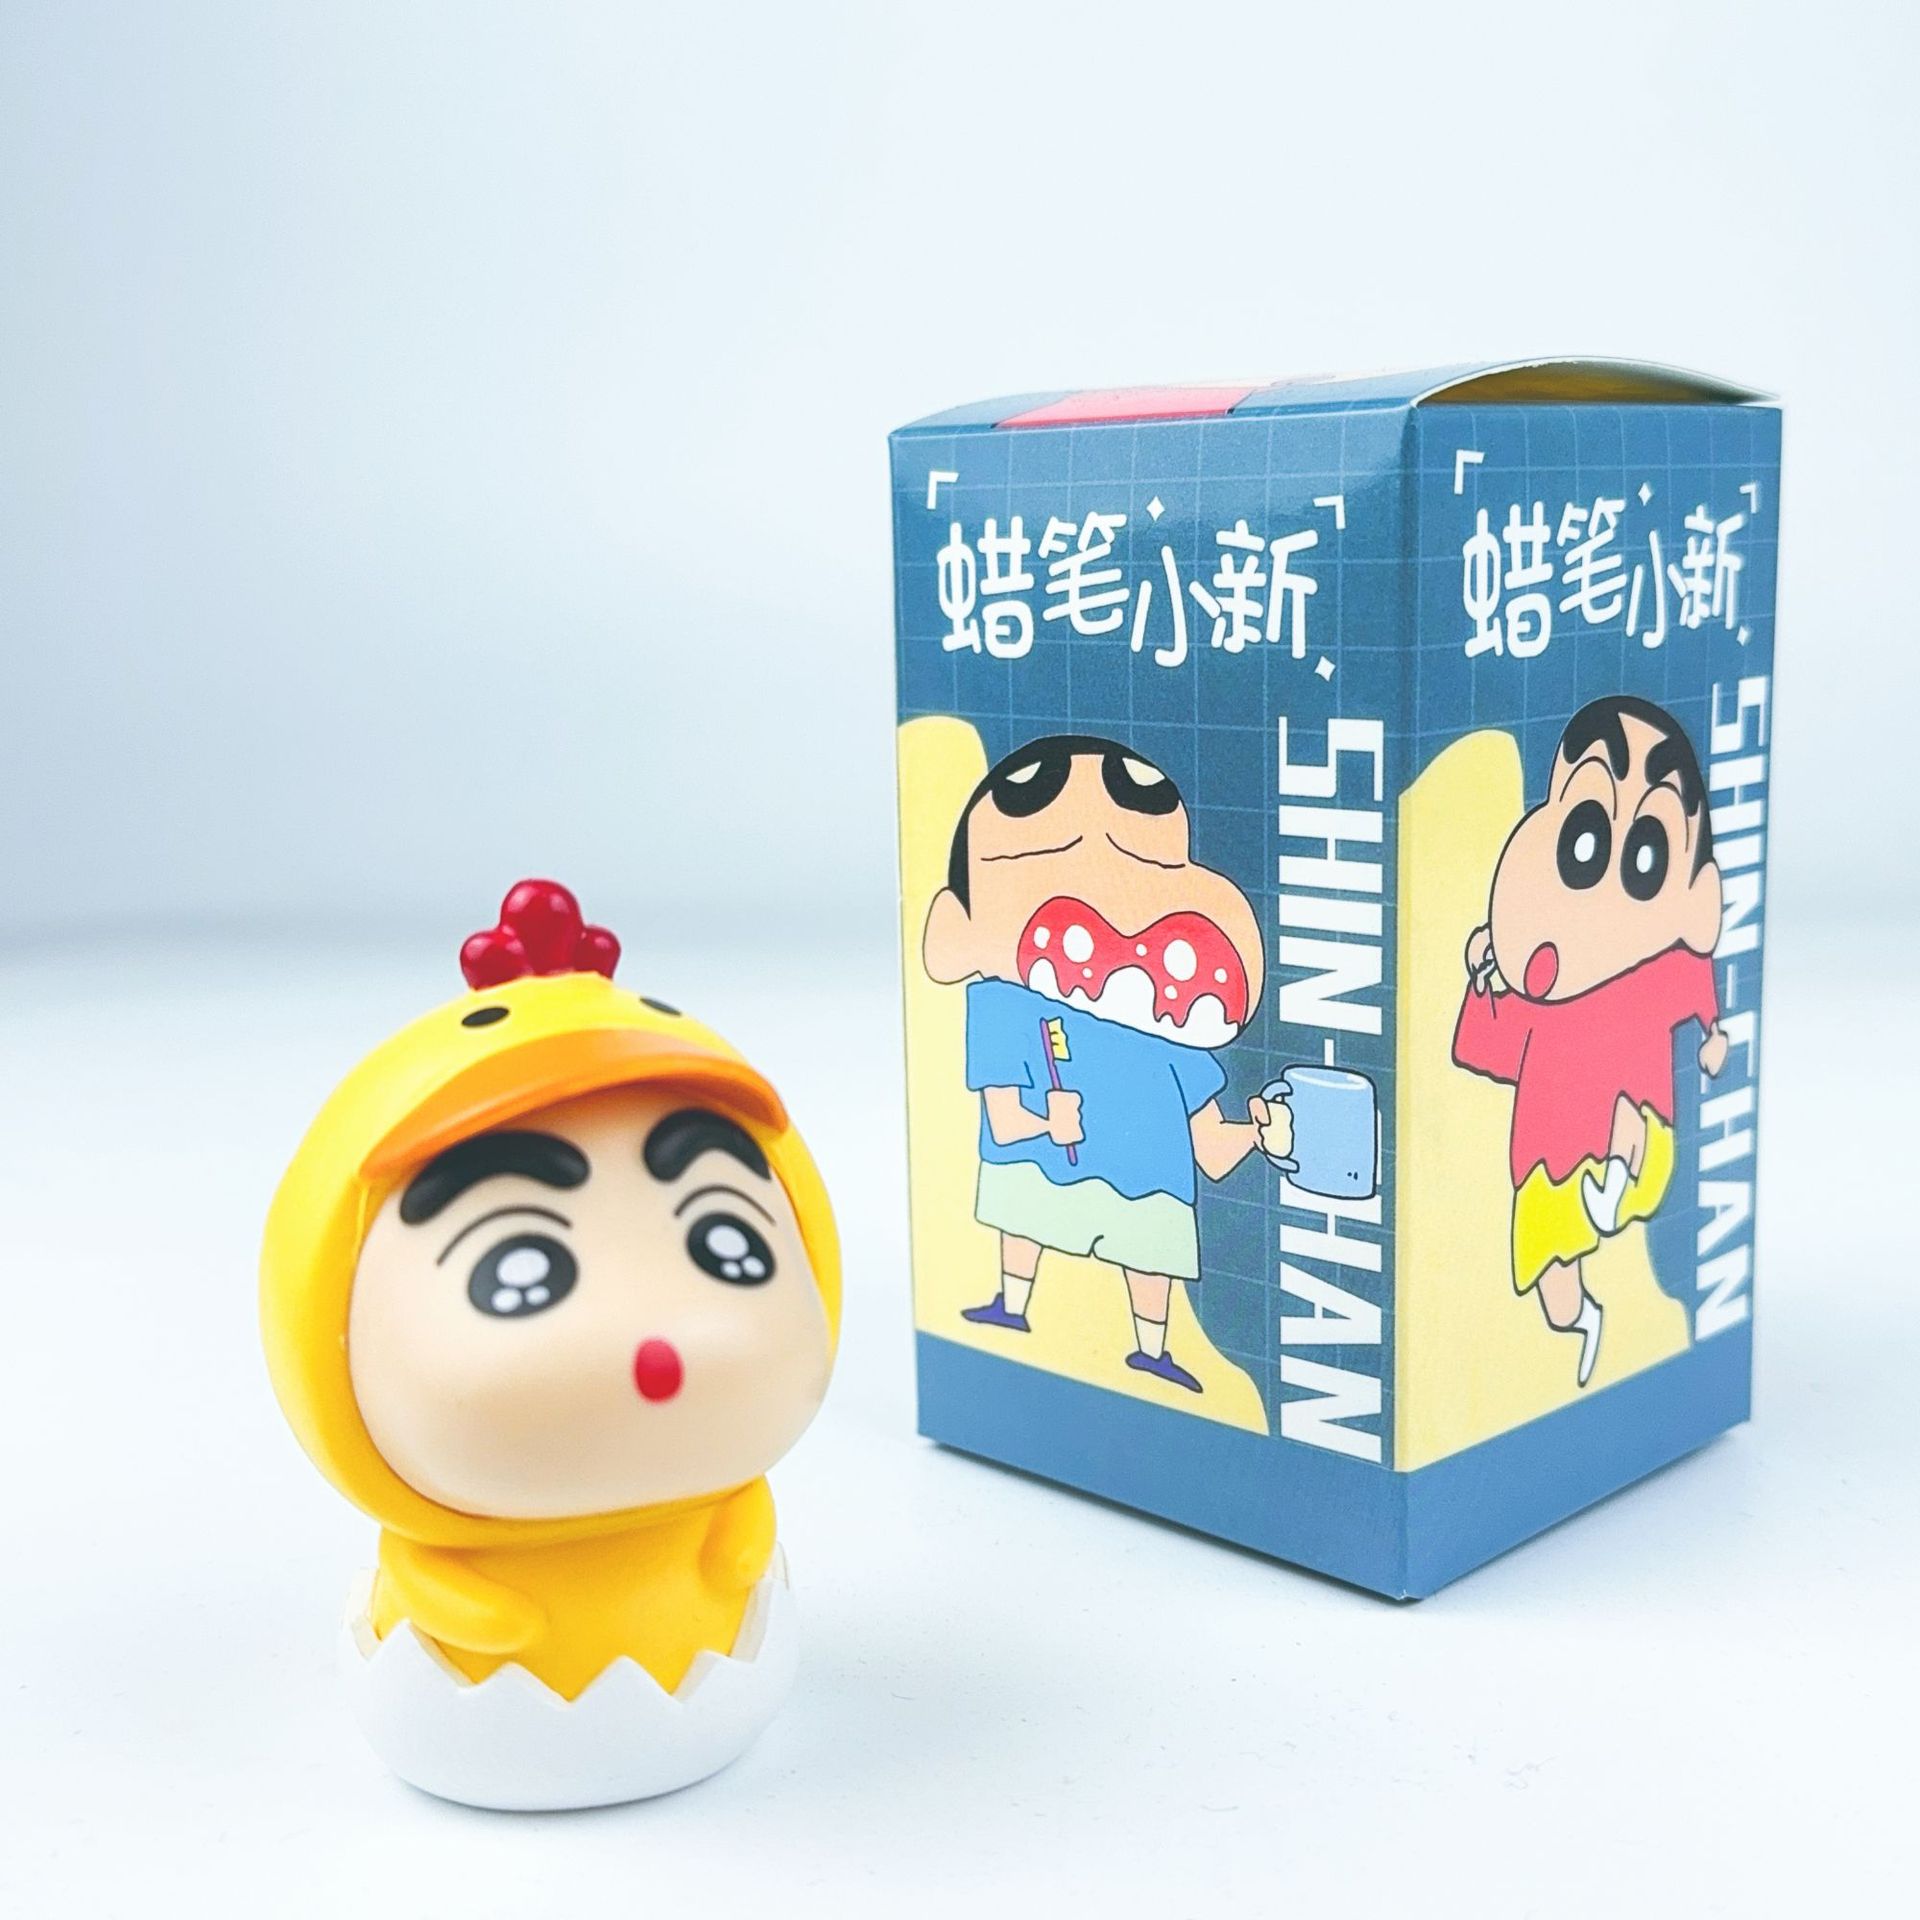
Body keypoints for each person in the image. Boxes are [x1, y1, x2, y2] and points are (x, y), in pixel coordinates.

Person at [923, 736, 1291, 1393]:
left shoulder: (1173, 1038)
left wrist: (1263, 1136)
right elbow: (1004, 1122)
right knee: (1023, 1220)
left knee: (1149, 1257)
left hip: (1149, 1190)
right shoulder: (1004, 1007)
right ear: (959, 930)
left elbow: (1210, 1146)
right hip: (1039, 1172)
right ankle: (1012, 1306)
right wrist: (1047, 1124)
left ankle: (1152, 1351)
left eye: (1145, 867)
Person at [1453, 698, 1728, 1387]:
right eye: (1583, 838)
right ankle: (1581, 1319)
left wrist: (1713, 1037)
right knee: (1548, 1271)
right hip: (1546, 1162)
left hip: (1636, 1141)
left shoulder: (1649, 974)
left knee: (1634, 1137)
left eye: (1646, 855)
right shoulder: (1537, 999)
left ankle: (1615, 1185)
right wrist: (1484, 982)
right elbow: (1488, 1053)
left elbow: (1697, 984)